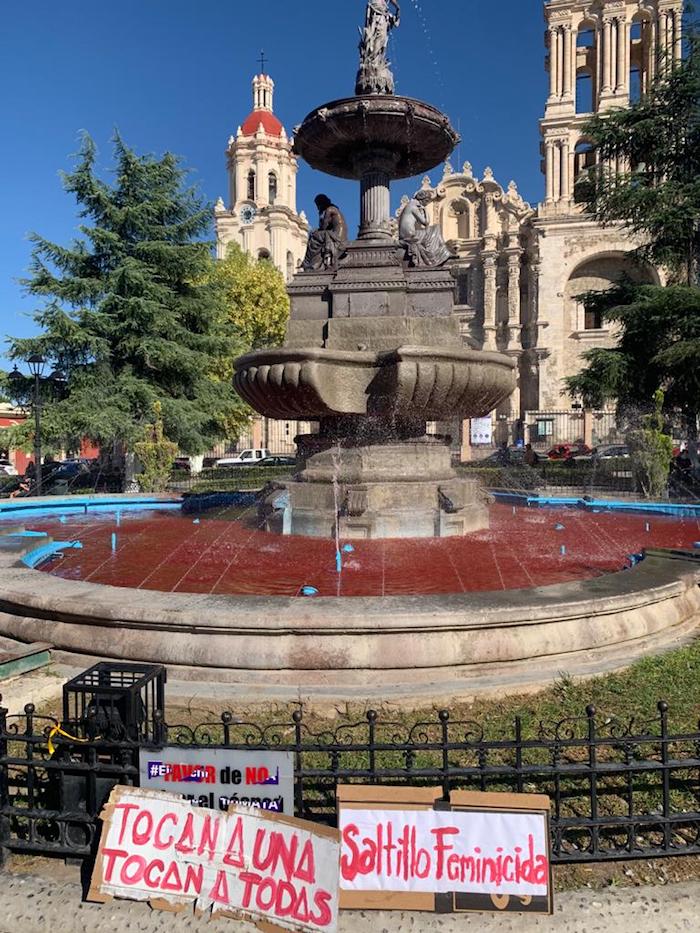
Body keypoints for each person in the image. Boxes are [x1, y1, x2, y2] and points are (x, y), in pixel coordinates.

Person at [398, 190, 454, 267]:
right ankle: (441, 252)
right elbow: (426, 222)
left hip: (407, 233)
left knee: (434, 229)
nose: (426, 204)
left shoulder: (410, 205)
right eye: (426, 202)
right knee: (435, 229)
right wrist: (425, 210)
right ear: (423, 200)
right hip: (409, 235)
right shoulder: (413, 207)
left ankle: (443, 249)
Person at [301, 195, 349, 271]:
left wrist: (320, 215)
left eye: (318, 205)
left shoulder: (329, 210)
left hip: (337, 238)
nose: (317, 208)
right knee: (316, 235)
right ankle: (312, 263)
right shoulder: (334, 209)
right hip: (337, 236)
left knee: (314, 236)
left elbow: (323, 226)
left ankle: (308, 263)